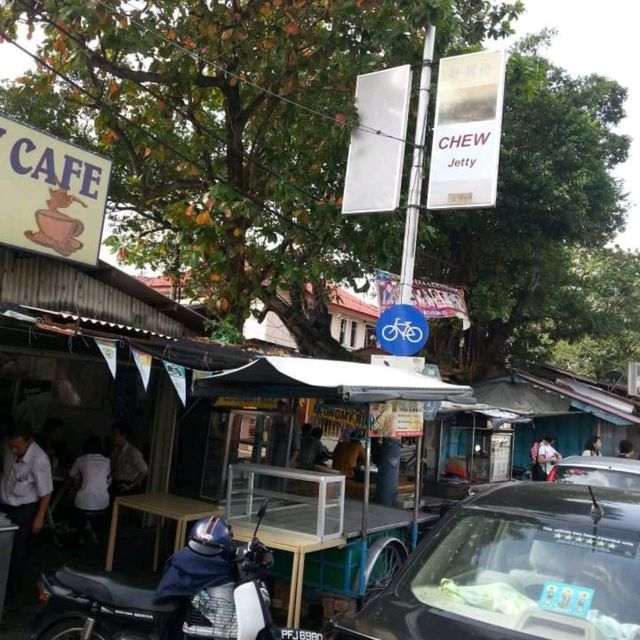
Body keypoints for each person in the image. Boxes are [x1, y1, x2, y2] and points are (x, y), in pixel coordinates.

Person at [0, 421, 53, 600]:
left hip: (24, 509)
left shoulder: (39, 460)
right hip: (4, 503)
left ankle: (11, 595)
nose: (13, 450)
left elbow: (46, 492)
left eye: (17, 447)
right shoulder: (7, 447)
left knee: (17, 551)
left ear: (28, 441)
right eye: (11, 446)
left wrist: (39, 517)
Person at [69, 435, 111, 538]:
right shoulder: (107, 461)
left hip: (83, 503)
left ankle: (78, 532)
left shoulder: (81, 460)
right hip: (103, 502)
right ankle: (92, 532)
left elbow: (71, 474)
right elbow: (108, 480)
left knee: (72, 500)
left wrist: (78, 481)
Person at [110, 421, 148, 496]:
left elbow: (144, 470)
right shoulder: (115, 451)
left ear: (123, 436)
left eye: (114, 435)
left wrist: (131, 485)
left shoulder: (133, 452)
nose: (112, 438)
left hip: (128, 486)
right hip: (116, 483)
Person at [269, 401, 300, 468]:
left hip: (284, 466)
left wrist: (288, 465)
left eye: (282, 412)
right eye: (277, 412)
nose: (279, 415)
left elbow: (296, 450)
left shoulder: (292, 429)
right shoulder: (274, 427)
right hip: (272, 464)